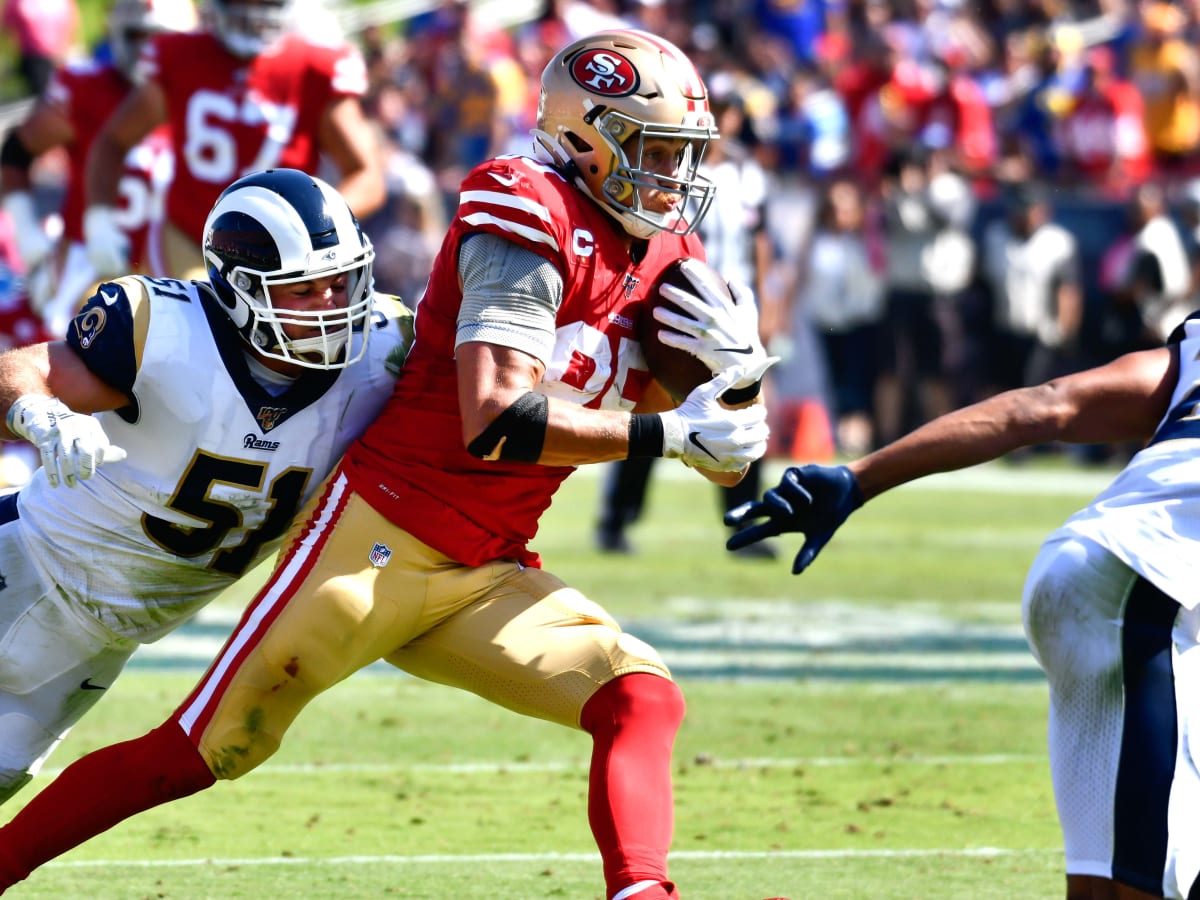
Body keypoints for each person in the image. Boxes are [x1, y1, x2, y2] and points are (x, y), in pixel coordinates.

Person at [0, 30, 770, 900]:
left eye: (682, 154)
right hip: (377, 542)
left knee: (641, 698)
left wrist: (737, 386)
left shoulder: (668, 261)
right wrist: (668, 435)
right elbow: (497, 421)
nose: (672, 174)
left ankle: (642, 894)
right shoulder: (527, 209)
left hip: (487, 564)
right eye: (654, 149)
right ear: (585, 136)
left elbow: (729, 464)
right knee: (214, 746)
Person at [725, 317, 1200, 899]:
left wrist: (859, 479)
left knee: (1100, 883)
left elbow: (1045, 406)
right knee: (1153, 885)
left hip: (1079, 571)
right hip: (1145, 586)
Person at [0, 167, 412, 808]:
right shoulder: (162, 327)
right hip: (23, 564)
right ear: (242, 291)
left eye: (344, 281)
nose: (335, 304)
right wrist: (42, 415)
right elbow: (27, 369)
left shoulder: (385, 353)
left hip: (103, 639)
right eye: (306, 290)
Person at [595, 86, 777, 558]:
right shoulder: (665, 166)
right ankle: (617, 518)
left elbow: (759, 241)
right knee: (650, 410)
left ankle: (745, 523)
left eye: (728, 110)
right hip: (674, 306)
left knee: (743, 415)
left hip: (730, 309)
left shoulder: (745, 172)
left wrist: (763, 303)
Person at [83, 0, 385, 283]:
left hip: (282, 249)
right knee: (187, 326)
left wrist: (315, 224)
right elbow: (113, 141)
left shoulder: (314, 66)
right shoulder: (179, 54)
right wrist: (100, 219)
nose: (250, 9)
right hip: (190, 238)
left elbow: (366, 175)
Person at [0, 0, 195, 337]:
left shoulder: (204, 94)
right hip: (90, 262)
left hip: (177, 265)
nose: (148, 51)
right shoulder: (87, 88)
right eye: (138, 36)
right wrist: (26, 228)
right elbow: (17, 150)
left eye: (160, 39)